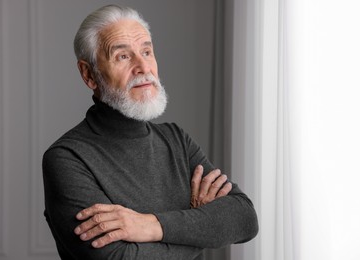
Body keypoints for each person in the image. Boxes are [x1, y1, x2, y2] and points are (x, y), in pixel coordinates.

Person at [42, 4, 258, 260]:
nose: (143, 67)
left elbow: (245, 219)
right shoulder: (67, 158)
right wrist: (198, 226)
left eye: (146, 51)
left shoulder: (176, 140)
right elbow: (118, 258)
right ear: (89, 75)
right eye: (123, 56)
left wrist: (150, 225)